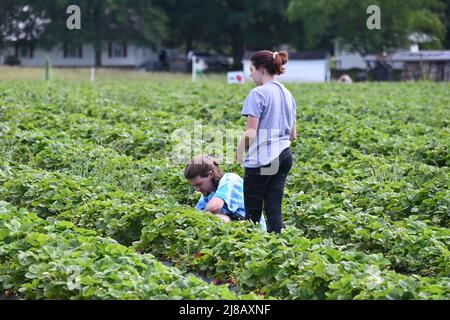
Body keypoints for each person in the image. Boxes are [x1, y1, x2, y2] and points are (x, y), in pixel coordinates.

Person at [237, 50, 297, 233]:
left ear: (261, 69)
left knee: (252, 216)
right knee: (273, 210)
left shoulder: (258, 94)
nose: (250, 74)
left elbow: (251, 133)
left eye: (251, 69)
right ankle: (277, 249)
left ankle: (253, 254)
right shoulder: (288, 94)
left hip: (263, 159)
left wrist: (239, 153)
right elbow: (293, 135)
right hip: (284, 156)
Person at [184, 155, 267, 231]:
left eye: (199, 184)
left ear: (211, 174)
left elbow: (214, 207)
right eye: (195, 186)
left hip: (254, 230)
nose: (197, 189)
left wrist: (203, 214)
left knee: (217, 218)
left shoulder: (230, 179)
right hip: (238, 228)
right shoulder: (209, 191)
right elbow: (195, 213)